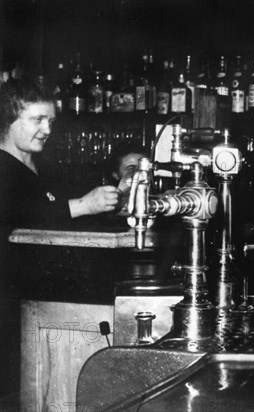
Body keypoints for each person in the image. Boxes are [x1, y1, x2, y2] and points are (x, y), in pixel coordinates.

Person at [0, 79, 119, 398]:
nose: (46, 128)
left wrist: (105, 203)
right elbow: (18, 215)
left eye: (50, 120)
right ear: (7, 120)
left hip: (43, 300)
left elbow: (57, 214)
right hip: (11, 307)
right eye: (36, 119)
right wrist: (84, 205)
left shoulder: (41, 167)